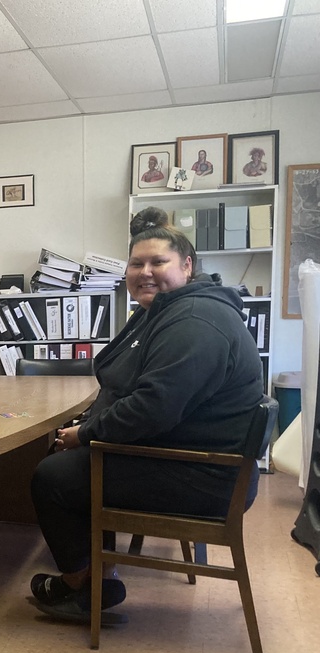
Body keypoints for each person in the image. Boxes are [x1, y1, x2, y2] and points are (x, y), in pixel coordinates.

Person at [29, 206, 264, 621]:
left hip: (204, 478)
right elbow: (133, 388)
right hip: (187, 455)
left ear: (187, 266)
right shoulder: (167, 310)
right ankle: (99, 572)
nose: (145, 271)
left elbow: (152, 408)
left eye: (159, 262)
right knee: (68, 461)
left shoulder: (196, 321)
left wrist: (85, 435)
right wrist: (89, 427)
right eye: (136, 263)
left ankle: (82, 586)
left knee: (53, 477)